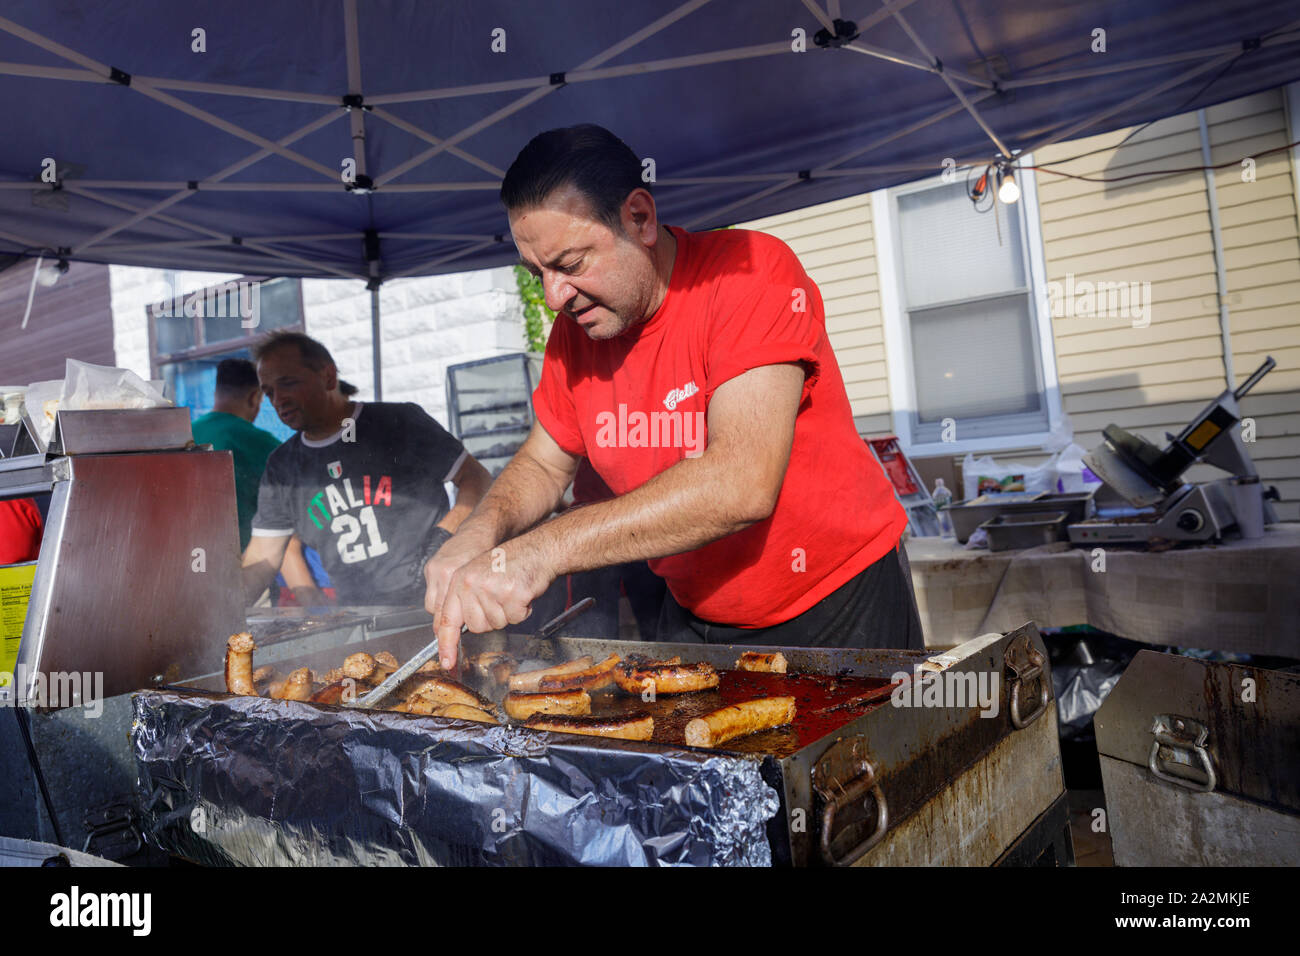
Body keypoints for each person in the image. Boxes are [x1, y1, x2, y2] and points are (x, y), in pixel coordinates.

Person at [424, 124, 922, 669]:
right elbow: (544, 463)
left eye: (569, 264)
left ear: (639, 217)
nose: (551, 297)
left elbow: (741, 484)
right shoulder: (577, 331)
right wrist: (478, 533)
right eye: (536, 272)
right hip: (693, 613)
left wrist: (537, 552)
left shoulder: (751, 273)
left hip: (836, 601)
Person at [240, 331, 492, 607]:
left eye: (288, 383)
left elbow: (477, 479)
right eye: (269, 392)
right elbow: (263, 554)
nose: (278, 399)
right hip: (360, 617)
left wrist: (445, 536)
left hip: (439, 598)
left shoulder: (399, 422)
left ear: (328, 376)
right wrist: (220, 611)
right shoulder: (282, 467)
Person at [191, 358, 283, 551]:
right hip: (247, 562)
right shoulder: (264, 445)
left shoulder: (185, 435)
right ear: (254, 398)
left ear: (216, 393)